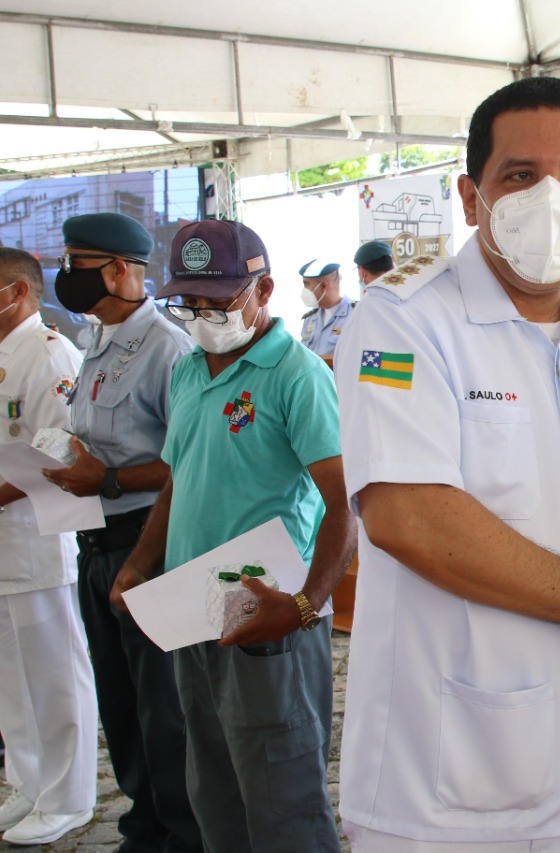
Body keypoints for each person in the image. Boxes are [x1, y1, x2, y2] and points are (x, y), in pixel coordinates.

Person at [333, 76, 560, 852]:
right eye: (522, 175)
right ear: (472, 197)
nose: (551, 199)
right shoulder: (401, 320)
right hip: (446, 785)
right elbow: (407, 515)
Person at [109, 219, 357, 853]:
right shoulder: (189, 370)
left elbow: (343, 505)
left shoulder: (297, 374)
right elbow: (177, 481)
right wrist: (140, 562)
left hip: (268, 614)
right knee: (213, 787)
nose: (202, 317)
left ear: (263, 290)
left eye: (217, 301)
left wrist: (303, 607)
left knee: (282, 796)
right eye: (188, 302)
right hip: (196, 609)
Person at [38, 212, 202, 853]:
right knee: (122, 704)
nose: (66, 276)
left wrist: (106, 478)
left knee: (164, 710)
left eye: (74, 264)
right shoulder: (95, 340)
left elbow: (188, 462)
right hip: (95, 543)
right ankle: (143, 828)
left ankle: (181, 836)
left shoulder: (168, 349)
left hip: (147, 543)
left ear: (115, 269)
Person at [0, 247, 98, 846]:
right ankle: (30, 782)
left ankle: (68, 797)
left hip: (37, 535)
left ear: (18, 292)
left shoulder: (49, 352)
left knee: (55, 673)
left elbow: (61, 447)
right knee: (12, 678)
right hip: (4, 545)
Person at [299, 258, 355, 357]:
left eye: (306, 284)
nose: (304, 290)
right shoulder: (310, 318)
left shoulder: (356, 314)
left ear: (324, 286)